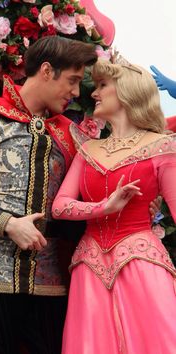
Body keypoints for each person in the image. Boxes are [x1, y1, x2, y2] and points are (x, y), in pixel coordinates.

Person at [0, 36, 159, 354]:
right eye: (71, 81)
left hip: (52, 286)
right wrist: (8, 223)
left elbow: (85, 203)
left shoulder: (70, 135)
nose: (75, 93)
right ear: (45, 71)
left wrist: (141, 204)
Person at [52, 56, 176, 353]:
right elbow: (59, 206)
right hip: (89, 268)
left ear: (127, 91)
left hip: (143, 266)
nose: (94, 93)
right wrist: (103, 207)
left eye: (103, 85)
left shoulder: (162, 147)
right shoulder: (88, 148)